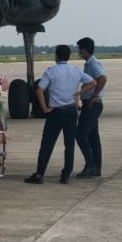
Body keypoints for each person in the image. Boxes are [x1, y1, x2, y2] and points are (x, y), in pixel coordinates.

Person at [25, 45, 94, 185]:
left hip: (55, 112)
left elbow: (39, 91)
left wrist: (44, 108)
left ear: (56, 57)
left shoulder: (51, 71)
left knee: (47, 144)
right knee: (69, 145)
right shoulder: (75, 70)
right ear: (68, 57)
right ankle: (66, 175)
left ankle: (39, 174)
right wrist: (78, 93)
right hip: (71, 111)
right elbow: (93, 82)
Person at [75, 37, 108, 178]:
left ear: (84, 49)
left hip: (92, 103)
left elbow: (102, 78)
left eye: (79, 49)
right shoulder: (89, 64)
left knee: (81, 135)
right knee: (93, 137)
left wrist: (94, 95)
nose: (78, 52)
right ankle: (96, 167)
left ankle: (91, 165)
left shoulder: (93, 63)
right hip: (91, 103)